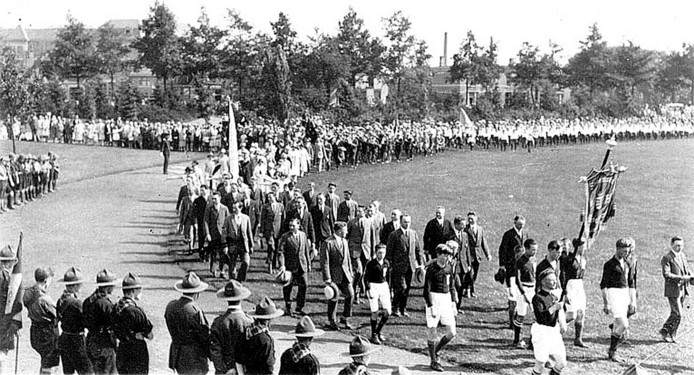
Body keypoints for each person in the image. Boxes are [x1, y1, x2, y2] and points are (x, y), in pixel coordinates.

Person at [165, 272, 211, 374]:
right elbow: (204, 336)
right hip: (194, 358)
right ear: (197, 293)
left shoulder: (171, 306)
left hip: (177, 354)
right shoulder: (195, 311)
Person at [600, 237, 637, 363]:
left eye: (627, 251)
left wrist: (632, 301)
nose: (626, 253)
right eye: (623, 251)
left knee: (617, 324)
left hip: (624, 294)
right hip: (613, 294)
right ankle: (613, 350)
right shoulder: (609, 264)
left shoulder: (628, 263)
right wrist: (606, 303)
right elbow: (603, 285)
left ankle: (612, 352)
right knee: (623, 325)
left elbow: (631, 284)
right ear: (617, 249)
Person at [423, 244, 458, 372]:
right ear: (438, 255)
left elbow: (452, 285)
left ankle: (435, 351)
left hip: (446, 299)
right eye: (445, 254)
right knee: (432, 330)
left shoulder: (449, 267)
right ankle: (433, 361)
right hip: (434, 298)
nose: (447, 257)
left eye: (449, 254)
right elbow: (426, 290)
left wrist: (454, 302)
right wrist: (431, 306)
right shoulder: (431, 269)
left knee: (452, 332)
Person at [112, 273, 154, 375]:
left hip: (122, 349)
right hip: (136, 352)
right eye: (139, 289)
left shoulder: (116, 307)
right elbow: (150, 335)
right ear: (133, 291)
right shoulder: (136, 311)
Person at [210, 280, 253, 374]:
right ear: (241, 298)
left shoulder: (218, 322)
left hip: (224, 370)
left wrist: (224, 370)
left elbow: (215, 351)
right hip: (243, 370)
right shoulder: (249, 321)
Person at [386, 214, 424, 317]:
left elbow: (417, 250)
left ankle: (403, 308)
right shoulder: (394, 235)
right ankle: (395, 307)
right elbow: (389, 251)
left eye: (408, 222)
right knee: (401, 287)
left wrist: (420, 264)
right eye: (405, 222)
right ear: (401, 222)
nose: (407, 224)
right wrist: (390, 264)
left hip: (410, 266)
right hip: (398, 267)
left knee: (406, 289)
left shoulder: (413, 233)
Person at [56, 267, 93, 375]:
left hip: (65, 339)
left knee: (68, 372)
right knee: (87, 371)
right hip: (76, 341)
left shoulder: (61, 299)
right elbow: (86, 321)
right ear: (76, 285)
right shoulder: (76, 303)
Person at [23, 267, 60, 374]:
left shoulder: (28, 293)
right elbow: (57, 315)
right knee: (51, 366)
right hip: (47, 334)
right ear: (46, 281)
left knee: (44, 361)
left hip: (35, 331)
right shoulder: (45, 299)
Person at [83, 269, 119, 374]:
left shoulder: (88, 300)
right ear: (108, 287)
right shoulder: (105, 304)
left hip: (91, 340)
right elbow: (114, 322)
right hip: (104, 343)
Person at [320, 221, 355, 331]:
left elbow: (347, 258)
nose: (347, 232)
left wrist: (350, 272)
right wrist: (327, 278)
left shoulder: (344, 241)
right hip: (334, 276)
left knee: (350, 295)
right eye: (345, 230)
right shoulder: (328, 242)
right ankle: (332, 320)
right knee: (334, 298)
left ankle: (345, 318)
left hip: (345, 274)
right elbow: (324, 262)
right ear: (339, 231)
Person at [530, 271, 567, 375]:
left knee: (561, 362)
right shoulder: (537, 298)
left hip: (553, 331)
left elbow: (559, 311)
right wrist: (554, 307)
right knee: (540, 364)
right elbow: (541, 318)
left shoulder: (553, 297)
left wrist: (562, 322)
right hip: (541, 331)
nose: (555, 282)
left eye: (555, 279)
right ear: (543, 282)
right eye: (551, 280)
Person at [236, 296, 284, 375]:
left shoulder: (246, 332)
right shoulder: (266, 340)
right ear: (269, 320)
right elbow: (269, 367)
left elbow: (238, 360)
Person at [659, 236, 692, 343]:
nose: (680, 248)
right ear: (671, 244)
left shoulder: (682, 255)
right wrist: (682, 278)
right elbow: (666, 274)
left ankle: (672, 334)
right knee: (678, 314)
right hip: (673, 290)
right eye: (677, 245)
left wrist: (691, 276)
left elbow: (687, 269)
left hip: (683, 289)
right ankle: (665, 330)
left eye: (681, 245)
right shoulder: (667, 258)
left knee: (676, 313)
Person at [278, 218, 313, 317]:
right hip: (290, 266)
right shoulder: (285, 237)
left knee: (304, 285)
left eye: (293, 226)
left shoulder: (303, 235)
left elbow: (306, 250)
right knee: (288, 287)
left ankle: (299, 307)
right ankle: (288, 306)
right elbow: (281, 252)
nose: (291, 227)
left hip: (302, 265)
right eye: (290, 226)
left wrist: (308, 263)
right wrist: (282, 265)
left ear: (298, 225)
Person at [498, 215, 528, 326]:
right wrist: (502, 265)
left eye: (522, 225)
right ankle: (511, 320)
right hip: (511, 268)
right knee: (512, 292)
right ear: (514, 223)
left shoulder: (524, 234)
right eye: (519, 224)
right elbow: (502, 250)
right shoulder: (508, 234)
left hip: (521, 268)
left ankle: (513, 310)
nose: (521, 226)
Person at [561, 238, 588, 347]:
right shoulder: (569, 259)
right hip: (570, 285)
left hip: (579, 286)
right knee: (571, 314)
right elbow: (563, 274)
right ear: (578, 246)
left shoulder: (583, 259)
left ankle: (578, 339)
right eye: (583, 246)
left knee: (581, 313)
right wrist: (565, 291)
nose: (584, 248)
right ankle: (555, 327)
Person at [0, 245, 22, 374]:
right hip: (3, 322)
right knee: (2, 356)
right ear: (11, 262)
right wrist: (15, 324)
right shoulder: (8, 278)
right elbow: (12, 302)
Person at [513, 238, 538, 349]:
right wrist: (524, 294)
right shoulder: (520, 261)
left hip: (533, 289)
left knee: (536, 315)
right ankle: (516, 339)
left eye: (536, 250)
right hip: (523, 290)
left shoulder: (534, 260)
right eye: (532, 250)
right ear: (526, 249)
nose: (534, 252)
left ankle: (533, 341)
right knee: (521, 314)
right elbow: (517, 280)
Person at [364, 244, 391, 345]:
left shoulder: (386, 263)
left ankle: (378, 331)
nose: (382, 255)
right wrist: (369, 289)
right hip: (373, 286)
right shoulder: (371, 264)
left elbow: (389, 277)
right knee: (374, 311)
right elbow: (366, 277)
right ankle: (373, 334)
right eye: (380, 252)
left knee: (387, 311)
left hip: (383, 286)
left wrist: (390, 289)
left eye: (383, 252)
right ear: (376, 253)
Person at [222, 201, 255, 281]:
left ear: (240, 208)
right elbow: (224, 233)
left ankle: (240, 278)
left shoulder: (246, 218)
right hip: (232, 244)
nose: (233, 209)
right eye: (233, 208)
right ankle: (232, 282)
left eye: (235, 208)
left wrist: (251, 245)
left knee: (246, 262)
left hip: (243, 244)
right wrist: (225, 246)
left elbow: (249, 232)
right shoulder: (228, 218)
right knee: (232, 265)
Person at [347, 205, 373, 304]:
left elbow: (372, 238)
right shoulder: (351, 222)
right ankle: (355, 292)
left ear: (365, 212)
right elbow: (346, 236)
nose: (358, 213)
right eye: (357, 211)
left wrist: (373, 253)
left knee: (363, 273)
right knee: (359, 272)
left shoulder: (369, 222)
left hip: (366, 251)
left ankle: (356, 293)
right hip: (355, 250)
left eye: (361, 211)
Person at [463, 211, 491, 298]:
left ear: (476, 218)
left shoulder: (480, 229)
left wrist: (488, 254)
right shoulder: (465, 229)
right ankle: (468, 290)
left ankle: (470, 290)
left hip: (477, 255)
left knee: (475, 274)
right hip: (469, 255)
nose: (470, 220)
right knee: (470, 273)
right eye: (469, 219)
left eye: (472, 218)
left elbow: (483, 242)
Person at [204, 192, 230, 277]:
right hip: (213, 234)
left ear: (220, 198)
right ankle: (214, 270)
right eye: (213, 199)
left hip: (222, 235)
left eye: (215, 198)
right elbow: (206, 221)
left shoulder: (224, 208)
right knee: (214, 253)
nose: (214, 200)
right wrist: (207, 233)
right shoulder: (209, 208)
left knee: (223, 253)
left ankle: (222, 270)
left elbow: (228, 221)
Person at [261, 192, 285, 273]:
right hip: (269, 231)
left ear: (275, 197)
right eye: (268, 197)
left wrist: (283, 231)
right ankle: (270, 264)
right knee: (272, 247)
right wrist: (262, 231)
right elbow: (262, 219)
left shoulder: (280, 206)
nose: (269, 199)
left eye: (271, 197)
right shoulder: (265, 207)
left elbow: (283, 219)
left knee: (277, 249)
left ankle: (274, 265)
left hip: (278, 231)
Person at [192, 185, 210, 261]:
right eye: (201, 190)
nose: (202, 192)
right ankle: (201, 255)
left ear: (207, 190)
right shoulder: (197, 200)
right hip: (200, 222)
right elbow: (194, 213)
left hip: (210, 222)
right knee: (201, 238)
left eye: (203, 190)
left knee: (209, 239)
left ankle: (208, 255)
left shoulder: (211, 199)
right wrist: (195, 222)